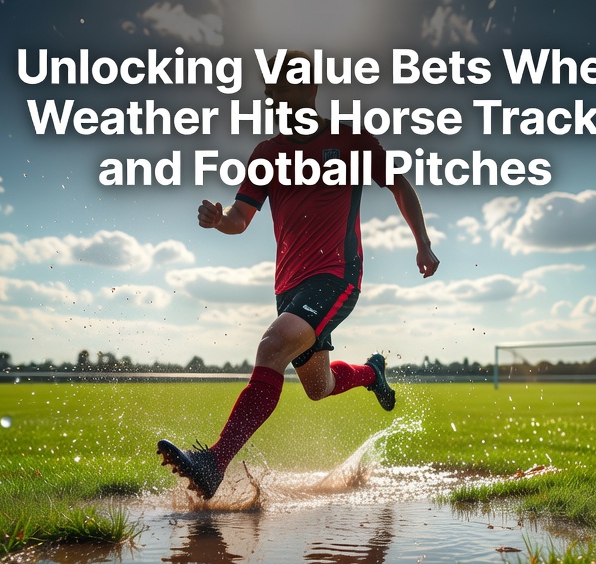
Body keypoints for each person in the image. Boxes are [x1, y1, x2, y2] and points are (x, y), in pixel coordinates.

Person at [158, 50, 440, 500]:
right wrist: (218, 219)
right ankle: (372, 373)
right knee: (318, 387)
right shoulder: (266, 153)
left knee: (272, 346)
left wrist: (422, 241)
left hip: (337, 275)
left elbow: (398, 183)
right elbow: (240, 218)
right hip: (288, 287)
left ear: (310, 91)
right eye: (271, 90)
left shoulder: (350, 139)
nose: (274, 97)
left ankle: (213, 462)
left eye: (285, 88)